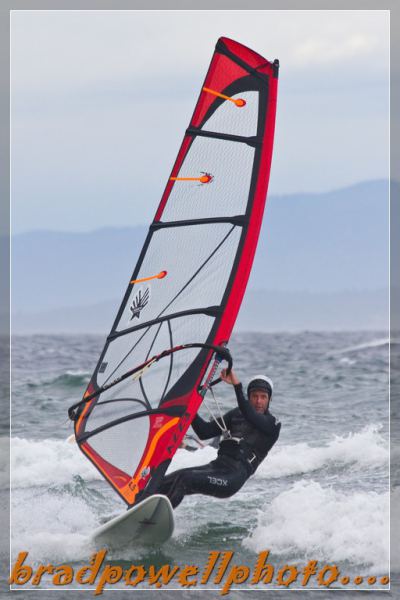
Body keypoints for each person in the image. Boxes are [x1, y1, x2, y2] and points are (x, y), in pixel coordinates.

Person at [157, 369, 281, 508]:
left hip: (233, 477)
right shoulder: (237, 414)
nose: (259, 401)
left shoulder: (273, 424)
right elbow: (204, 431)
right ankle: (137, 509)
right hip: (216, 466)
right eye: (254, 396)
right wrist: (188, 407)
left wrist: (237, 385)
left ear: (270, 399)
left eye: (263, 397)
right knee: (162, 483)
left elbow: (250, 415)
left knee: (185, 479)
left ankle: (152, 522)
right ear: (249, 397)